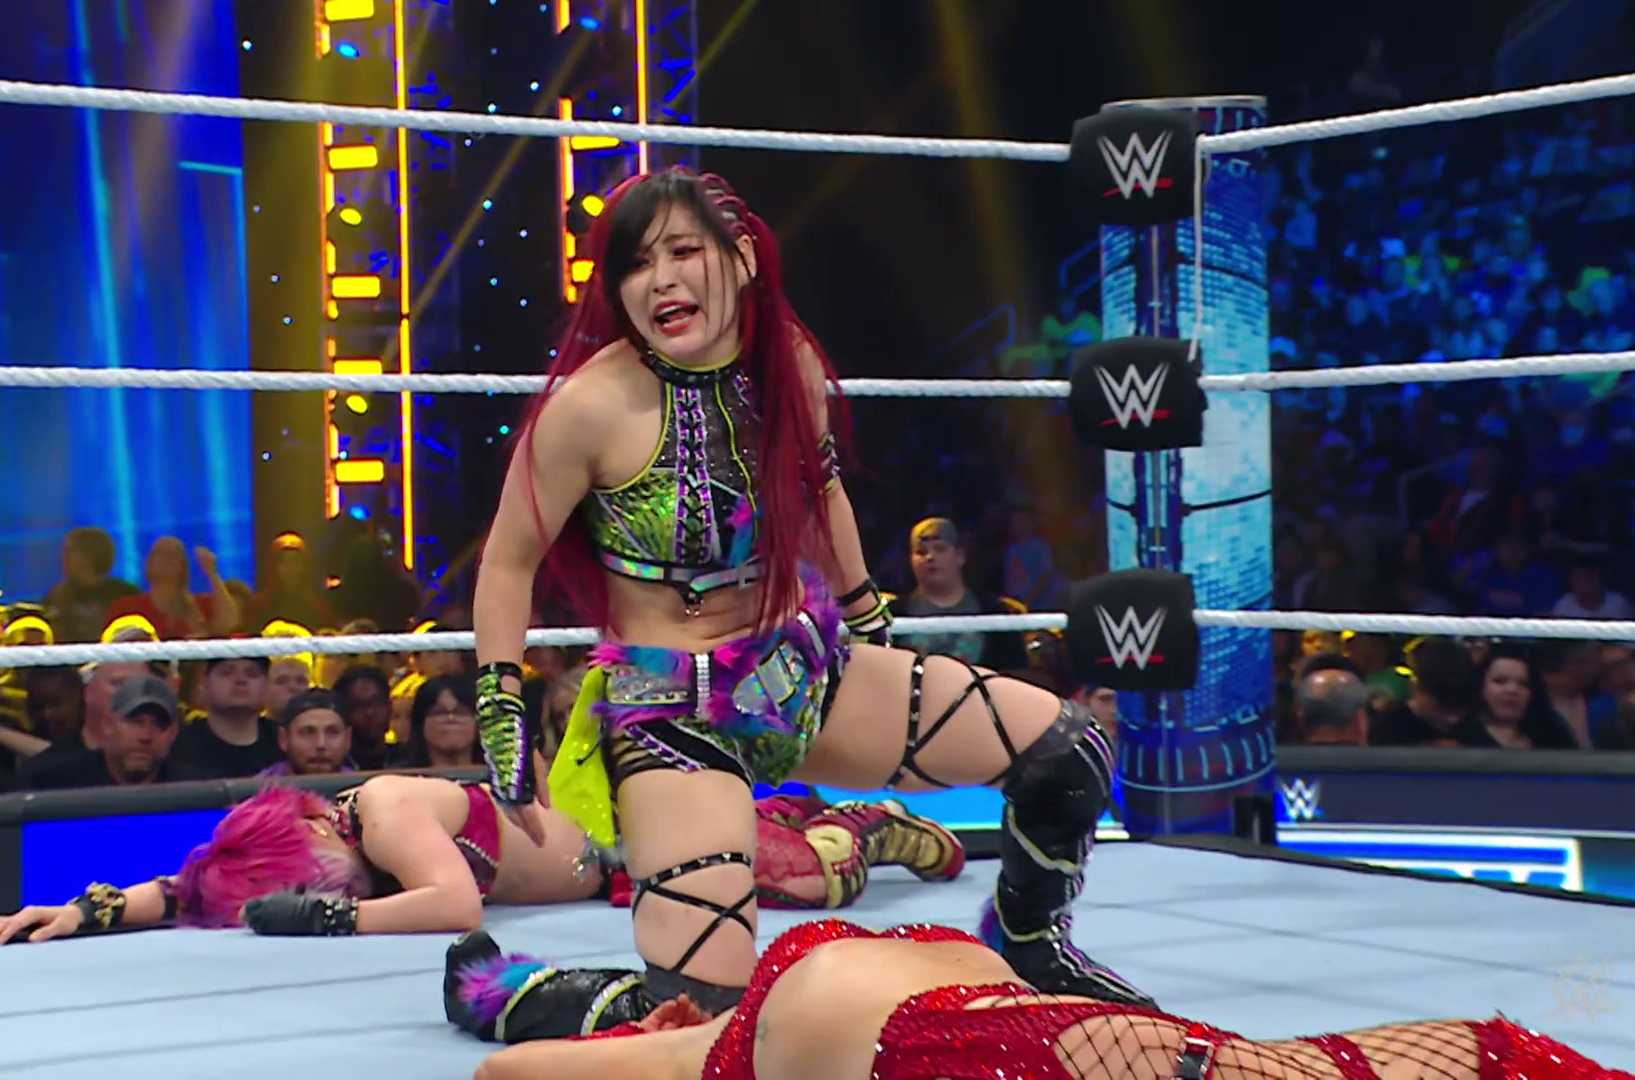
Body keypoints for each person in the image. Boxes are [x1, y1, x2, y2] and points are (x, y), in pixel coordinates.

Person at [470, 165, 1143, 1023]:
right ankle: (511, 995)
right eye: (637, 264)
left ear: (742, 258)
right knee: (702, 1011)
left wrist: (868, 619)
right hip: (672, 714)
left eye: (683, 252)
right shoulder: (589, 408)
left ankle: (1033, 944)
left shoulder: (784, 361)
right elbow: (507, 561)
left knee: (1067, 753)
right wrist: (500, 706)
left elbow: (821, 494)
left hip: (796, 676)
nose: (661, 280)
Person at [455, 918, 1635, 1079]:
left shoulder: (744, 1019)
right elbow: (509, 1068)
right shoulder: (709, 1046)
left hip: (1007, 1036)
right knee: (1486, 1055)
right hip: (984, 1036)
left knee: (1485, 1054)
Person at [0, 774, 963, 943]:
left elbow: (455, 907)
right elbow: (193, 888)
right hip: (615, 877)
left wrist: (334, 918)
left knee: (802, 878)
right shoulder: (318, 846)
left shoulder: (385, 812)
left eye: (314, 886)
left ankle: (869, 823)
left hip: (638, 839)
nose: (323, 895)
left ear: (316, 838)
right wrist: (85, 909)